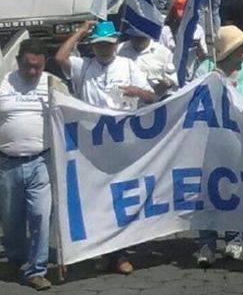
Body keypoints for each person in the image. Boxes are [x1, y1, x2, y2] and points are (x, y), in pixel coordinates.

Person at [55, 21, 156, 275]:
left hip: (123, 142)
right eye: (99, 44)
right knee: (97, 199)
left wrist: (138, 92)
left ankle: (120, 253)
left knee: (121, 198)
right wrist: (80, 31)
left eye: (108, 44)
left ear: (115, 44)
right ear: (94, 45)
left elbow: (151, 96)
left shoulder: (128, 65)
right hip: (92, 144)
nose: (104, 48)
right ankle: (101, 251)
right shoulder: (84, 66)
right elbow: (60, 57)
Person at [194, 25, 243, 267]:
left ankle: (235, 237)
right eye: (242, 45)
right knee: (209, 191)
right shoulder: (205, 69)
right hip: (211, 141)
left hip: (240, 141)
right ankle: (206, 241)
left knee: (237, 188)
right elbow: (192, 102)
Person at [0, 40, 57, 290]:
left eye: (38, 67)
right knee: (11, 219)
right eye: (28, 66)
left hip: (41, 161)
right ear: (18, 61)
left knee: (41, 216)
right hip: (7, 163)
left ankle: (36, 269)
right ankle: (16, 257)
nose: (33, 72)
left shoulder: (53, 85)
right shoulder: (3, 85)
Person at [117, 27, 176, 98]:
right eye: (134, 37)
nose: (137, 40)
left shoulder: (164, 53)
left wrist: (166, 84)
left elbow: (175, 76)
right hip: (124, 100)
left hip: (155, 100)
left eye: (141, 37)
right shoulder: (119, 50)